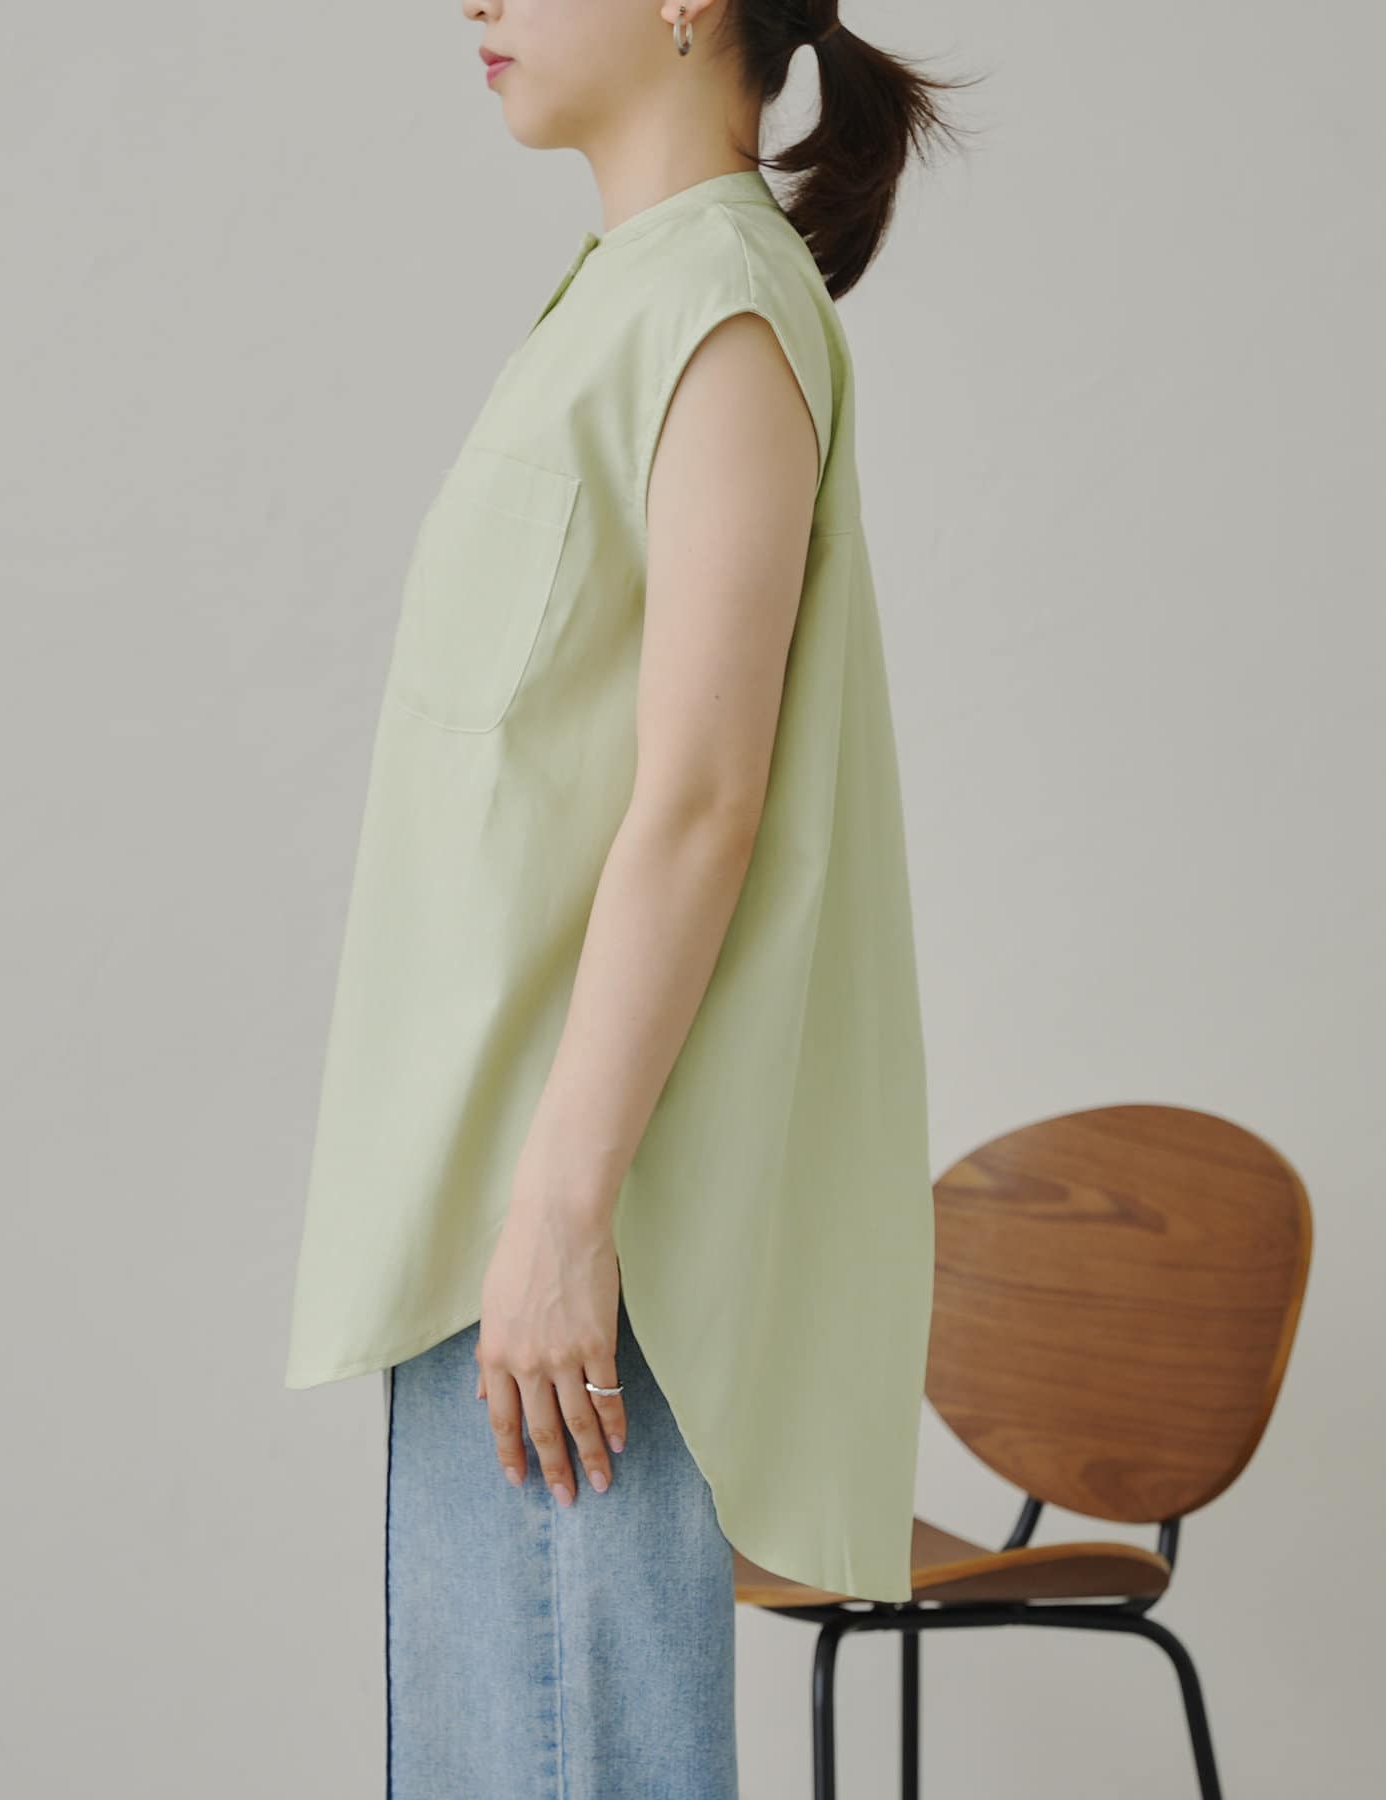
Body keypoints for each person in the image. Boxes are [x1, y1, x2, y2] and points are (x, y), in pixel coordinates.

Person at [283, 3, 972, 1793]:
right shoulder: (632, 298)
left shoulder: (718, 308)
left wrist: (564, 1212)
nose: (476, 3)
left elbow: (701, 796)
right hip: (506, 1208)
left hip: (585, 1229)